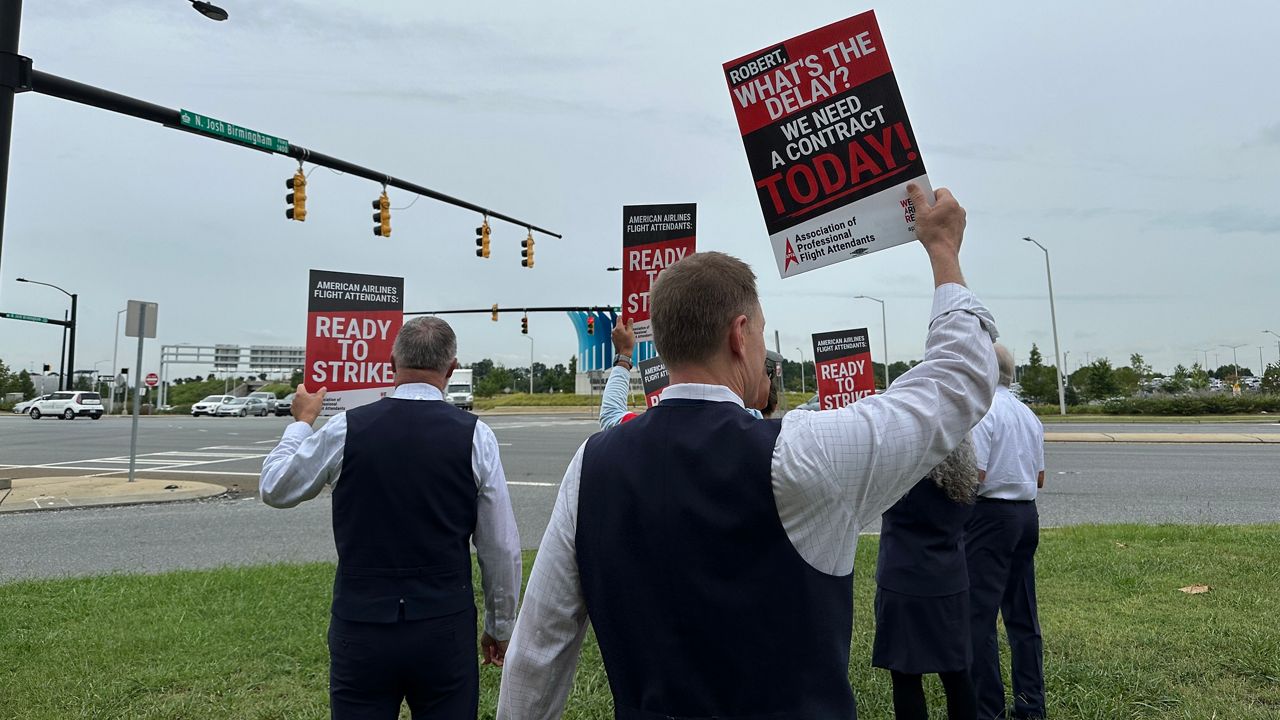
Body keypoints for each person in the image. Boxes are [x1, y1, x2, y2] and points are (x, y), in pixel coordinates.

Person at [497, 183, 999, 719]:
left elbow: (536, 652)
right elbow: (958, 380)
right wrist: (943, 250)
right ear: (740, 335)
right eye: (761, 334)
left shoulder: (590, 464)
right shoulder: (803, 453)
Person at [259, 316, 522, 720]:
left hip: (361, 623)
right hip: (443, 624)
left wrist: (300, 425)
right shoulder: (476, 436)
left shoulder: (346, 427)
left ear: (390, 363)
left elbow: (276, 488)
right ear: (451, 368)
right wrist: (499, 625)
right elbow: (500, 545)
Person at [965, 343, 1047, 720]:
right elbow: (1040, 476)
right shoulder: (1029, 415)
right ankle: (1031, 704)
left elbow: (975, 475)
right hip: (1026, 513)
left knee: (978, 619)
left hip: (990, 516)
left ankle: (988, 709)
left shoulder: (983, 411)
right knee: (1023, 616)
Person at [873, 439, 981, 720]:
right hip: (949, 581)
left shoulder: (900, 478)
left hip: (902, 580)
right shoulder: (963, 479)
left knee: (906, 676)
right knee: (957, 674)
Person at [598, 319, 773, 428]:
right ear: (738, 338)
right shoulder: (772, 444)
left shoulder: (638, 431)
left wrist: (624, 355)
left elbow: (611, 415)